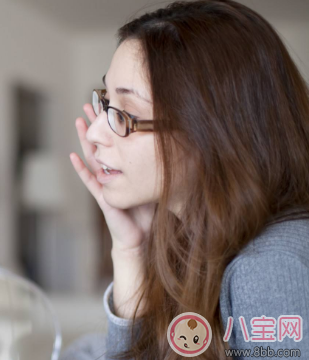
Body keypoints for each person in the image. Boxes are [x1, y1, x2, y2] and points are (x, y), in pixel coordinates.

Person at [69, 1, 309, 359]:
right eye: (106, 104)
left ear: (211, 131)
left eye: (126, 114)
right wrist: (130, 251)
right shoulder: (193, 240)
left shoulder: (269, 267)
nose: (94, 134)